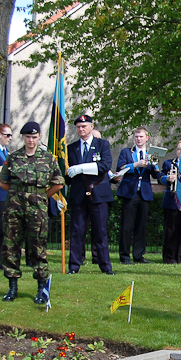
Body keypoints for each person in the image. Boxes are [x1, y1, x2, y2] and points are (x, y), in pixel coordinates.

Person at [0, 122, 64, 303]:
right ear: (23, 137)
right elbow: (2, 181)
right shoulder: (13, 157)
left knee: (37, 246)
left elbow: (58, 182)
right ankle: (12, 288)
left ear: (39, 137)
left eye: (34, 137)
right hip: (14, 207)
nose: (31, 140)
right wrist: (17, 193)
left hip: (37, 209)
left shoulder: (48, 158)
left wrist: (41, 196)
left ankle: (41, 289)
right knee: (11, 246)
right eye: (28, 137)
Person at [65, 115, 115, 275]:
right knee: (77, 232)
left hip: (98, 194)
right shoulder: (71, 148)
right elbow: (67, 173)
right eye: (78, 127)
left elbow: (105, 166)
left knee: (100, 233)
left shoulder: (102, 144)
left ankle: (105, 267)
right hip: (79, 194)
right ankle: (74, 266)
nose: (81, 129)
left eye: (84, 126)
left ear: (92, 126)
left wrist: (80, 168)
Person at [115, 127, 159, 264]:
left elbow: (156, 175)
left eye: (141, 136)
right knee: (127, 226)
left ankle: (139, 255)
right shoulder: (126, 152)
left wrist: (155, 165)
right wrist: (136, 164)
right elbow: (120, 168)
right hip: (130, 192)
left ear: (147, 138)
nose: (138, 139)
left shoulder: (151, 153)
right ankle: (124, 256)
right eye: (136, 136)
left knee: (141, 226)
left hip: (144, 193)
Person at [159, 143, 181, 264]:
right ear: (176, 151)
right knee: (171, 230)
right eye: (179, 149)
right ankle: (169, 258)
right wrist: (167, 178)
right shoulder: (169, 163)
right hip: (171, 201)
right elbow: (160, 177)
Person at [0, 124, 13, 270]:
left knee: (2, 228)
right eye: (7, 135)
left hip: (4, 194)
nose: (10, 138)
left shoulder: (5, 151)